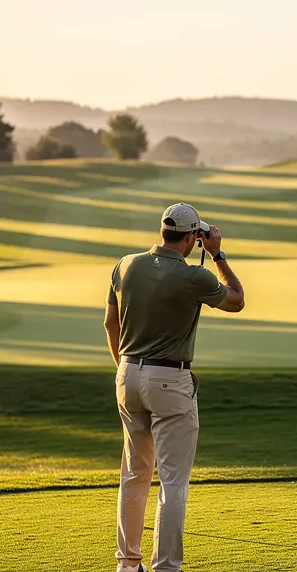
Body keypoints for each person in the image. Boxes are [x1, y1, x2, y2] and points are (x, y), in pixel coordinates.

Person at [104, 202, 245, 572]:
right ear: (193, 237)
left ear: (163, 230)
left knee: (134, 475)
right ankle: (166, 567)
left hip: (127, 374)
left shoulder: (125, 264)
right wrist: (218, 254)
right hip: (169, 380)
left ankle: (127, 565)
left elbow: (110, 324)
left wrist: (127, 370)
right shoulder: (193, 277)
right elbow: (237, 300)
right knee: (172, 481)